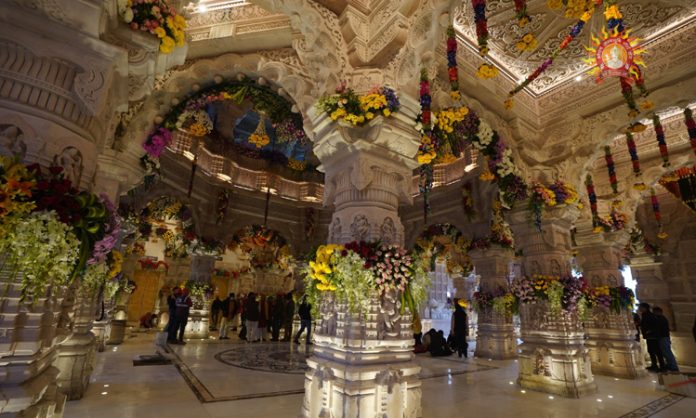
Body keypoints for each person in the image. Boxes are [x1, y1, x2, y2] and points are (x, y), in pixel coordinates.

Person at [638, 302, 665, 372]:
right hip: (648, 336)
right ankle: (654, 365)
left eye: (640, 307)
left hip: (653, 336)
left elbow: (655, 325)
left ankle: (662, 366)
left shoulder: (650, 315)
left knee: (657, 351)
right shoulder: (644, 315)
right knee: (651, 351)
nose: (639, 309)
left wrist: (649, 331)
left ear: (645, 308)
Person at [653, 307, 679, 372]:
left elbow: (660, 329)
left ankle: (673, 366)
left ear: (658, 312)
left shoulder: (661, 319)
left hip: (663, 337)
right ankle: (670, 365)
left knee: (667, 352)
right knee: (665, 352)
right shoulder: (661, 319)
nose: (654, 313)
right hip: (663, 337)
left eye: (655, 312)